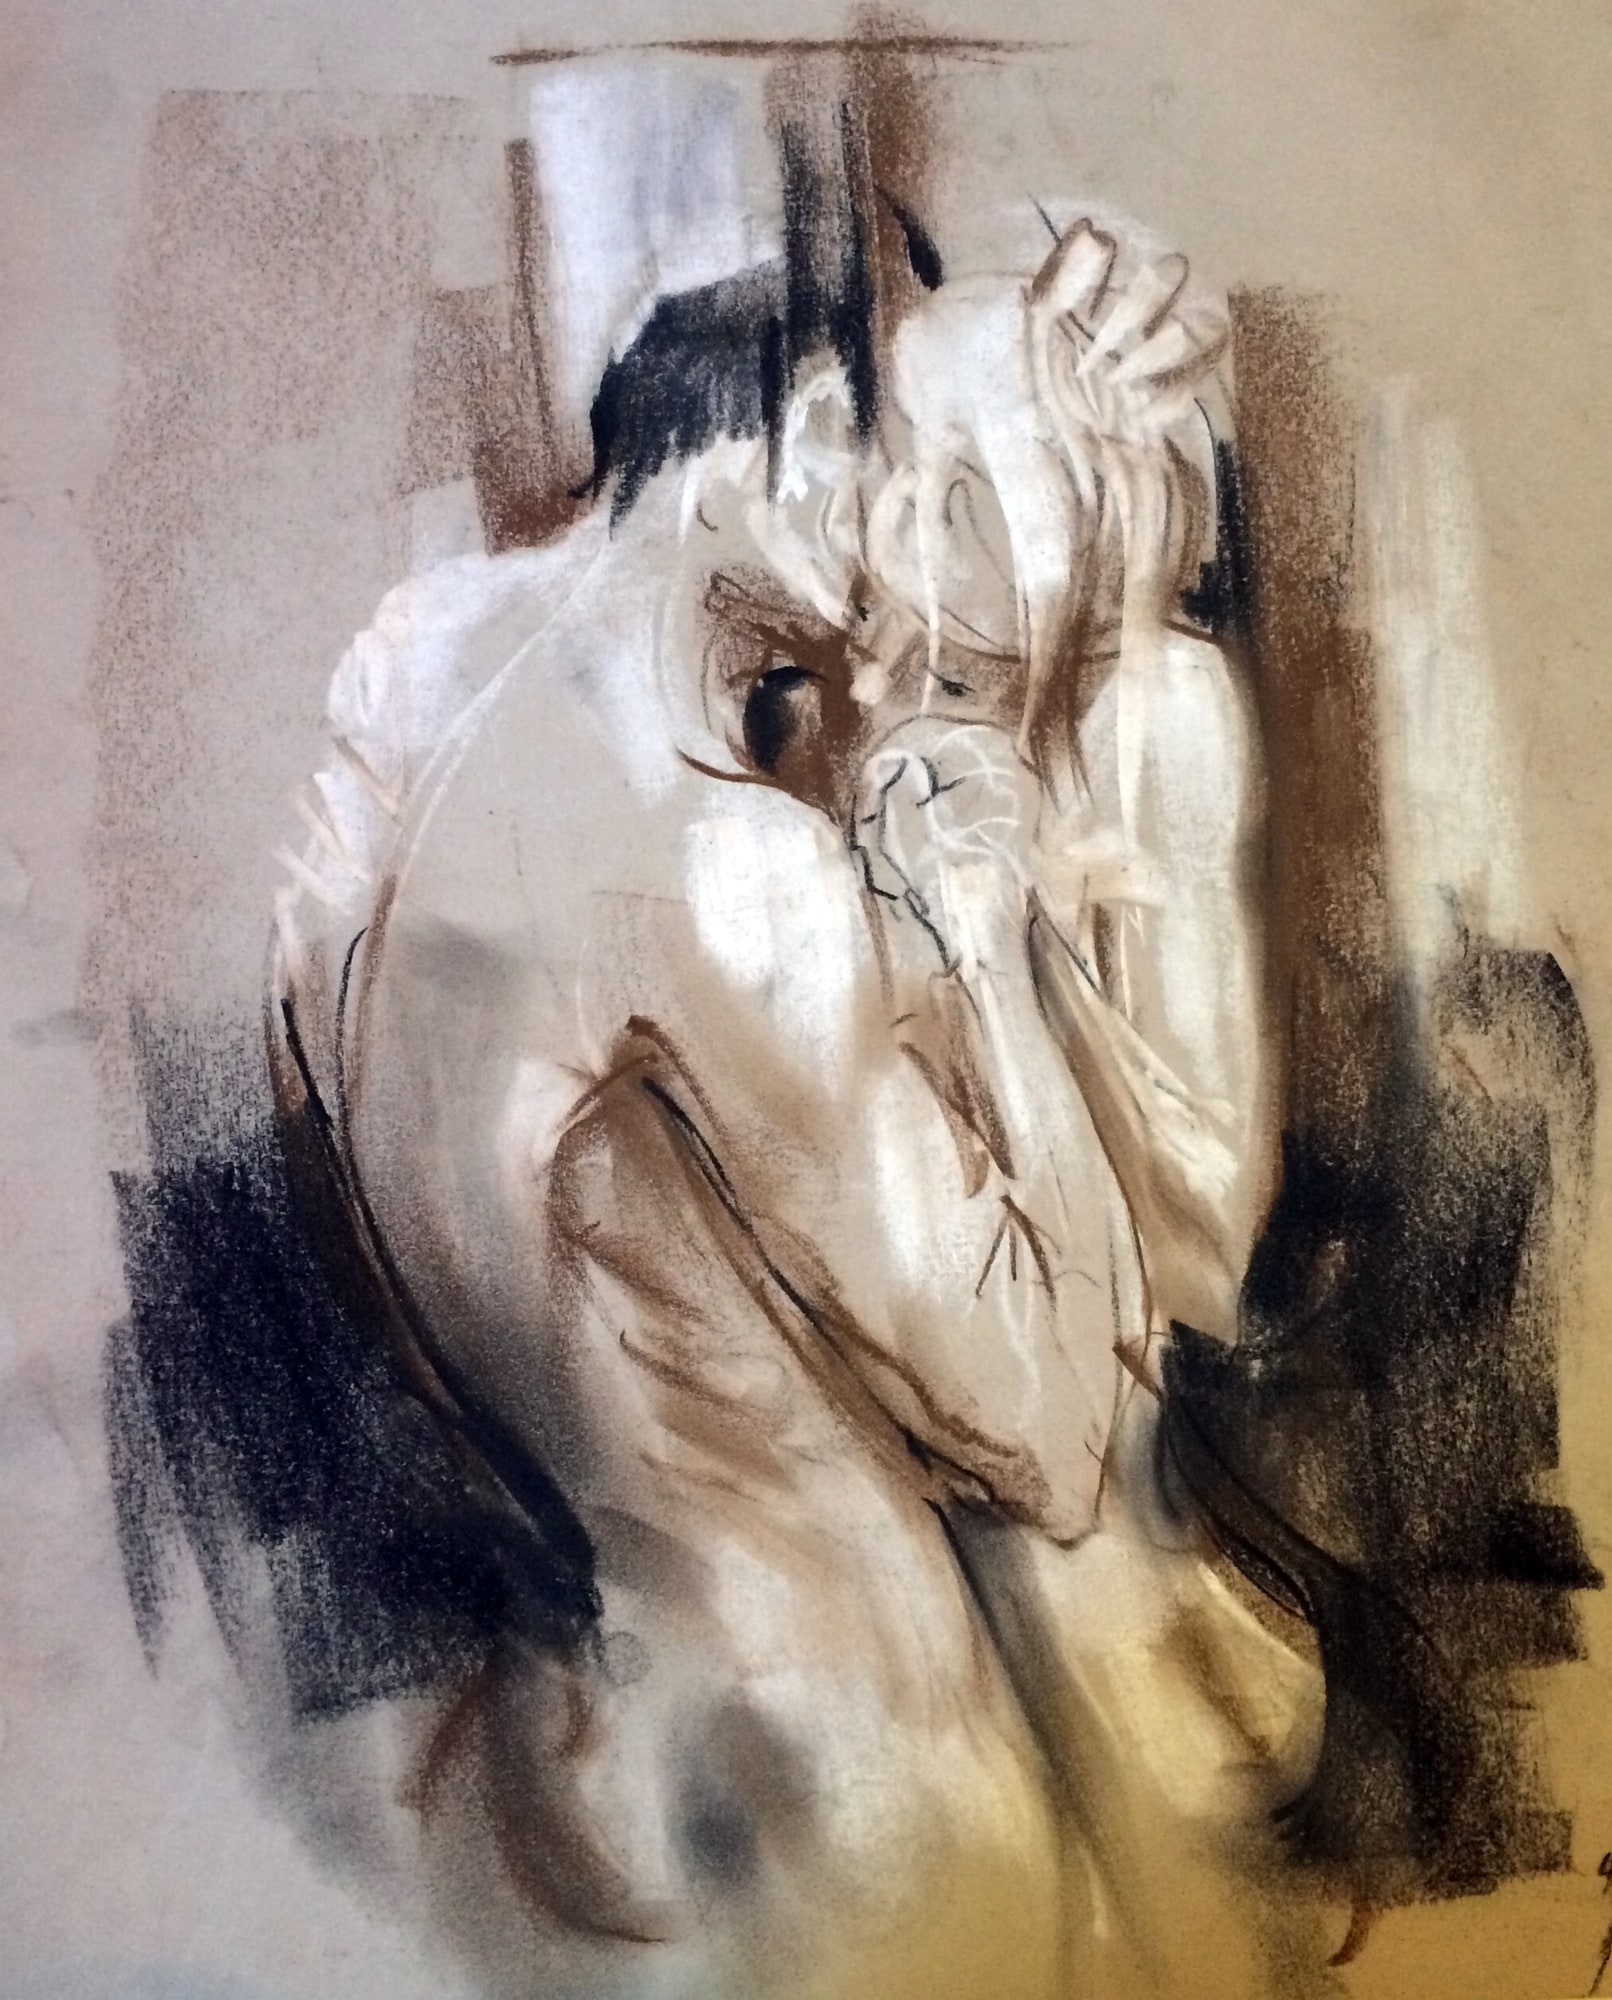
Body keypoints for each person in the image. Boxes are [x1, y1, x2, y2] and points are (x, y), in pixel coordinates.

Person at [271, 214, 1327, 1997]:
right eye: (893, 477)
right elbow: (1047, 1428)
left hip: (624, 1714)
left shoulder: (443, 730)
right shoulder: (728, 865)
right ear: (804, 444)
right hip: (864, 1755)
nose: (892, 550)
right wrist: (982, 947)